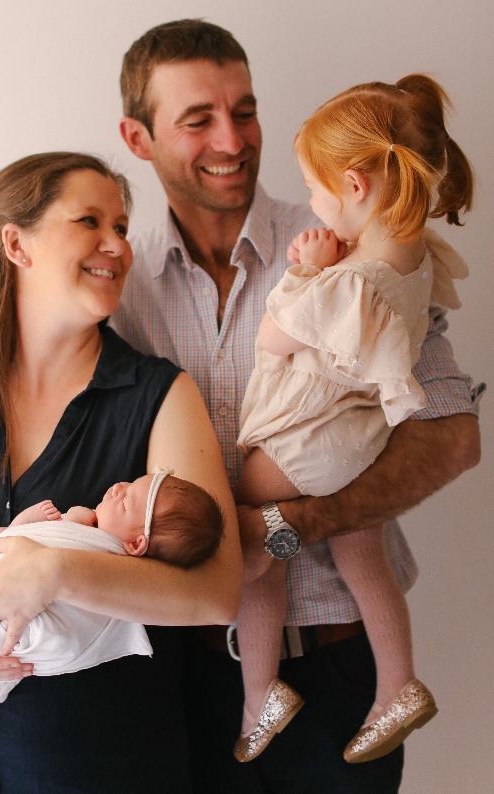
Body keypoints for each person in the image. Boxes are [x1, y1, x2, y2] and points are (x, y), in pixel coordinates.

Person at [112, 19, 482, 793]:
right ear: (137, 139)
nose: (233, 139)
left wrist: (285, 527)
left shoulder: (353, 243)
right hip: (181, 673)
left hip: (339, 667)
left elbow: (451, 439)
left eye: (244, 110)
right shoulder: (121, 284)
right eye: (198, 119)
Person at [0, 151, 240, 793]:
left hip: (104, 771)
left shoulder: (160, 398)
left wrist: (59, 569)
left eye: (121, 226)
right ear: (16, 244)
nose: (118, 244)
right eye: (91, 221)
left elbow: (218, 594)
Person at [233, 73, 473, 764]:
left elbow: (274, 338)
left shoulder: (347, 283)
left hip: (310, 442)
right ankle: (398, 683)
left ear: (355, 186)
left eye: (316, 188)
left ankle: (259, 690)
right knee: (360, 547)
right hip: (358, 446)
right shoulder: (412, 259)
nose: (312, 204)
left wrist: (305, 271)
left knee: (252, 532)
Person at [0, 470, 224, 703]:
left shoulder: (103, 550)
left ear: (136, 543)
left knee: (0, 536)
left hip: (20, 628)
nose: (117, 487)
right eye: (128, 484)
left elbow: (32, 539)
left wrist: (55, 524)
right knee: (0, 536)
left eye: (126, 501)